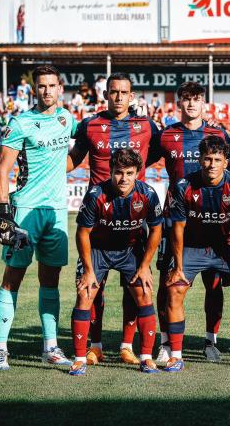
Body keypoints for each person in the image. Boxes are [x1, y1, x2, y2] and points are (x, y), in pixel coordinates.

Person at [67, 72, 161, 366]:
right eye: (113, 92)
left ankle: (127, 346)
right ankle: (94, 347)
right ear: (105, 94)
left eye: (124, 92)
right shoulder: (91, 124)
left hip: (133, 219)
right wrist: (46, 169)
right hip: (99, 217)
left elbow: (161, 152)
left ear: (131, 96)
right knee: (92, 288)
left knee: (135, 288)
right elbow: (74, 159)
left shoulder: (146, 126)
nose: (118, 97)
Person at [0, 65, 76, 370]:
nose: (46, 91)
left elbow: (85, 144)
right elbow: (2, 171)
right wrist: (4, 214)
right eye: (41, 86)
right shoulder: (21, 123)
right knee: (13, 277)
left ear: (60, 88)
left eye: (51, 86)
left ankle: (50, 347)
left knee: (50, 280)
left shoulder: (68, 118)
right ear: (34, 89)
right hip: (25, 211)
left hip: (55, 211)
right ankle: (0, 349)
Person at [148, 81, 230, 364]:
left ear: (203, 103)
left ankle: (211, 341)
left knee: (214, 283)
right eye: (186, 99)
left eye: (196, 99)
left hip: (213, 222)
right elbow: (137, 161)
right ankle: (165, 343)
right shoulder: (166, 135)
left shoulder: (218, 133)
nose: (191, 104)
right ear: (179, 103)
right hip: (175, 220)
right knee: (167, 282)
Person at [164, 135, 230, 371]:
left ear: (226, 162)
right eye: (207, 159)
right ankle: (176, 354)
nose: (212, 164)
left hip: (226, 246)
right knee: (175, 289)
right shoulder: (183, 187)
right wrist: (177, 267)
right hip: (193, 246)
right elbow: (178, 230)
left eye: (218, 159)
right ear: (199, 160)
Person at [69, 148, 163, 376]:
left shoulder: (148, 194)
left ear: (137, 173)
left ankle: (147, 358)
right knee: (85, 293)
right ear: (111, 171)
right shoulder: (95, 195)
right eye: (119, 172)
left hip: (130, 250)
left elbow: (156, 230)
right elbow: (82, 233)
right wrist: (89, 271)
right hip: (98, 249)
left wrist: (144, 267)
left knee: (144, 292)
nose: (124, 178)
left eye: (130, 173)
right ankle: (81, 358)